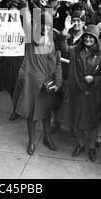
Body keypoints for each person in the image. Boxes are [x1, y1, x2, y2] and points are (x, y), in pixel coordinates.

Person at [14, 12, 62, 155]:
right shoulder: (31, 39)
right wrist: (23, 0)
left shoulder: (53, 41)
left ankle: (47, 138)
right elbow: (26, 20)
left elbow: (57, 62)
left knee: (46, 114)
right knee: (31, 115)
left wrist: (58, 82)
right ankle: (32, 141)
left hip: (48, 84)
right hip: (33, 84)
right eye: (42, 25)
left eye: (48, 25)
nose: (45, 28)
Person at [59, 21, 101, 161]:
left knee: (92, 123)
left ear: (96, 40)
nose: (88, 39)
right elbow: (64, 48)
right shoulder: (76, 50)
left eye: (91, 37)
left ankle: (92, 148)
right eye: (86, 36)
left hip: (93, 94)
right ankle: (80, 144)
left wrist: (94, 79)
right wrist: (65, 30)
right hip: (78, 91)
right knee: (79, 120)